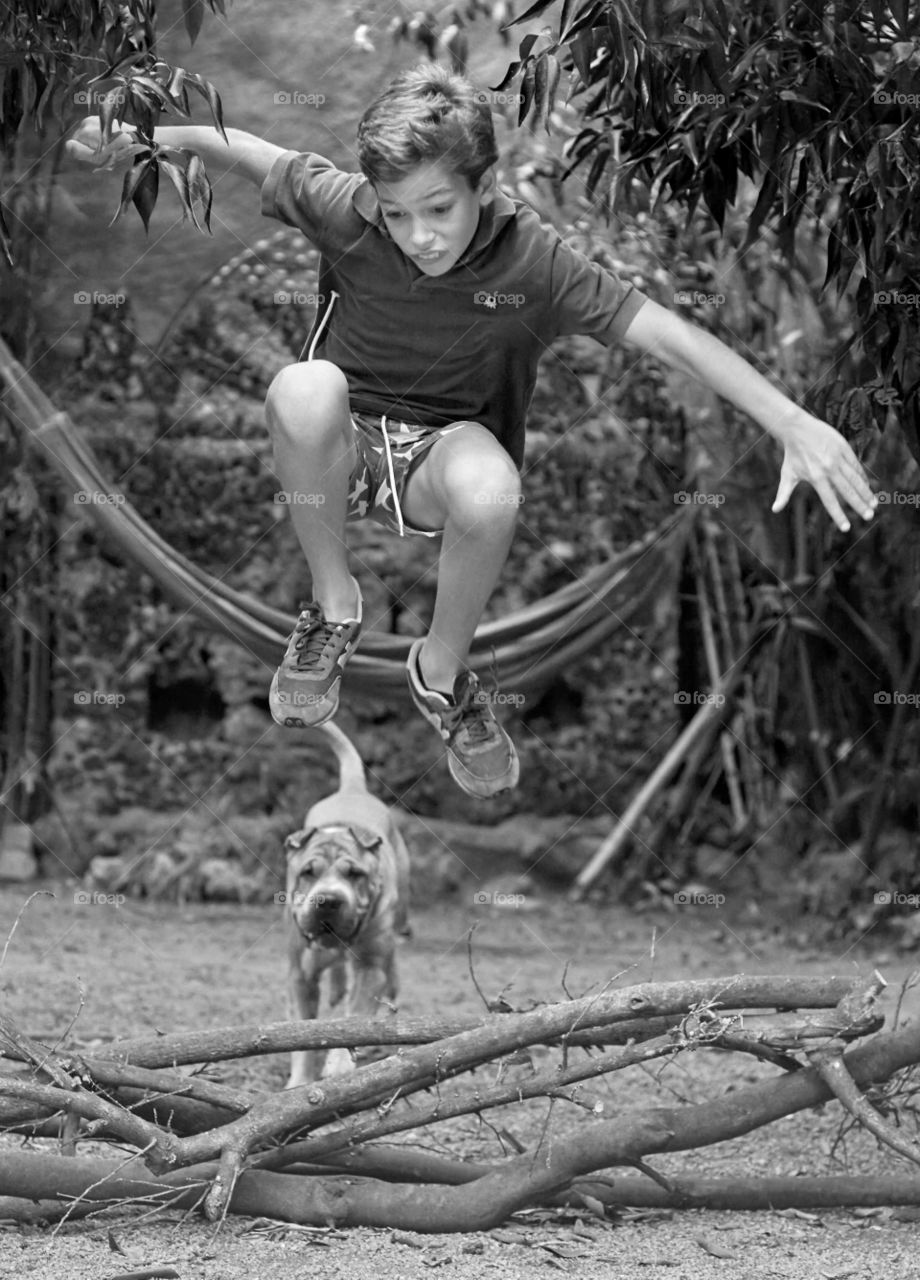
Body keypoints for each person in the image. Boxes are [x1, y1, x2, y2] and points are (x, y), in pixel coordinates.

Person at [67, 62, 877, 800]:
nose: (419, 235)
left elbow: (666, 331)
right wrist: (143, 138)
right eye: (396, 214)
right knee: (304, 385)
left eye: (439, 209)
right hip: (340, 447)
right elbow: (243, 148)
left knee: (493, 488)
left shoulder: (536, 262)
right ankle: (333, 606)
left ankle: (443, 670)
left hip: (442, 463)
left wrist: (790, 421)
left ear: (483, 186)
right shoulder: (345, 210)